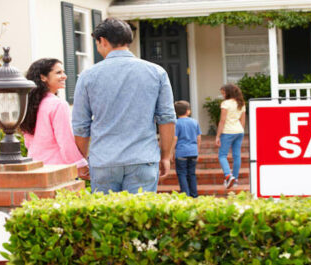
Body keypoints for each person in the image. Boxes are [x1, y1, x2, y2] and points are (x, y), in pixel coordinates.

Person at [72, 18, 176, 194]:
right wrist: (165, 156)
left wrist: (83, 159)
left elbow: (81, 126)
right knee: (140, 219)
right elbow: (167, 119)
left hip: (104, 160)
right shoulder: (157, 72)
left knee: (106, 219)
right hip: (143, 158)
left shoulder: (88, 76)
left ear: (102, 41)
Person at [20, 58, 89, 179]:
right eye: (58, 72)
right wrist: (80, 165)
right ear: (43, 77)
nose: (65, 76)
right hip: (58, 170)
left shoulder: (28, 105)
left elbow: (28, 142)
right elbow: (65, 141)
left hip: (35, 168)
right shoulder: (58, 105)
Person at [215, 84, 246, 189]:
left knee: (222, 155)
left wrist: (218, 136)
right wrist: (239, 130)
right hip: (239, 131)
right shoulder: (241, 103)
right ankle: (235, 179)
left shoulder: (225, 104)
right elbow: (242, 121)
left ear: (228, 92)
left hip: (227, 132)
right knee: (237, 156)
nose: (223, 95)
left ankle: (228, 176)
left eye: (223, 93)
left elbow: (222, 121)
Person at [171, 101, 201, 198]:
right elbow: (199, 137)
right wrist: (197, 150)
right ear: (188, 111)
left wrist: (171, 152)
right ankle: (194, 195)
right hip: (193, 151)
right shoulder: (194, 122)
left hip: (181, 152)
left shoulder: (176, 123)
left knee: (182, 174)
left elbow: (175, 138)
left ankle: (186, 195)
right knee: (191, 174)